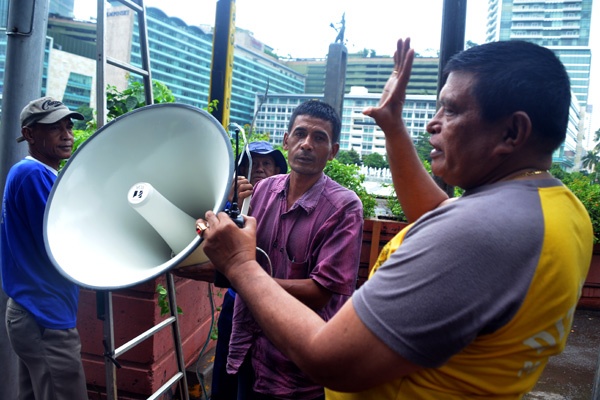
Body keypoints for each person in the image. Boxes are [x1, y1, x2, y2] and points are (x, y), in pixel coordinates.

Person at [196, 38, 594, 399]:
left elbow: (330, 360)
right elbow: (441, 215)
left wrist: (239, 266)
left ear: (512, 132)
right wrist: (392, 125)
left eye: (451, 110)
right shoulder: (554, 208)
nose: (432, 123)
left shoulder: (480, 231)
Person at [183, 100, 364, 400]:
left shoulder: (344, 208)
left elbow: (321, 292)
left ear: (332, 151)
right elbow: (235, 252)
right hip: (249, 348)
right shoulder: (264, 191)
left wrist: (242, 277)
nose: (307, 144)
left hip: (297, 364)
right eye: (301, 134)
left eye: (319, 138)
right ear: (287, 140)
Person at [1, 96, 88, 400]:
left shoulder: (37, 173)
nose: (67, 134)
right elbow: (62, 245)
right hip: (44, 317)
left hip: (33, 311)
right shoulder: (33, 174)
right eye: (54, 128)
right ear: (29, 134)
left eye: (68, 126)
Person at [214, 141, 288, 400]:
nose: (259, 170)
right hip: (235, 303)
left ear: (278, 169)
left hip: (273, 305)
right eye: (252, 164)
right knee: (226, 375)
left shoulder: (286, 202)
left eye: (266, 164)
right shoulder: (234, 203)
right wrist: (231, 202)